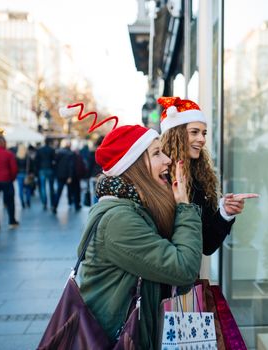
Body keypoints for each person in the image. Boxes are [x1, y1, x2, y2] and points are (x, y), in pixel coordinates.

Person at [78, 124, 202, 348]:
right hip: (116, 340)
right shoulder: (119, 220)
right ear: (133, 166)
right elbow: (184, 269)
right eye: (156, 153)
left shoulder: (137, 208)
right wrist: (184, 208)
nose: (167, 160)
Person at [158, 97, 258, 255]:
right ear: (175, 135)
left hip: (187, 277)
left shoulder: (200, 177)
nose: (202, 139)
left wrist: (225, 213)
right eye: (194, 132)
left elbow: (207, 245)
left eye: (204, 133)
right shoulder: (158, 177)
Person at [51, 140, 75, 214]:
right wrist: (70, 176)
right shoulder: (71, 154)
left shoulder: (59, 152)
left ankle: (55, 206)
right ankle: (70, 203)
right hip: (67, 175)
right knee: (69, 191)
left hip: (60, 175)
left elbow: (55, 163)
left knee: (59, 191)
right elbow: (71, 166)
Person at [35, 139, 56, 210]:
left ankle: (44, 203)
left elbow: (36, 161)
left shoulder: (40, 150)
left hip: (42, 169)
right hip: (50, 169)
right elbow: (54, 160)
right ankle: (52, 204)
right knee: (51, 187)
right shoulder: (52, 150)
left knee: (43, 187)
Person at [15, 144, 33, 208]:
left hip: (19, 174)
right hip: (26, 174)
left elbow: (15, 167)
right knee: (28, 189)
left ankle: (22, 202)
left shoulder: (16, 157)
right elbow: (31, 166)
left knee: (20, 189)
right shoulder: (28, 157)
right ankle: (28, 201)